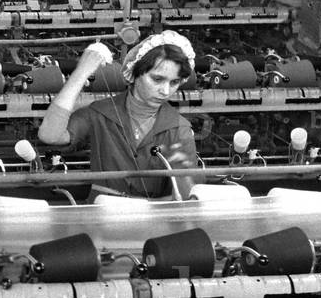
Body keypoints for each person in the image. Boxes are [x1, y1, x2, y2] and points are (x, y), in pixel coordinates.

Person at [38, 30, 201, 200]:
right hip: (103, 217)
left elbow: (186, 196)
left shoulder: (178, 128)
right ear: (135, 73)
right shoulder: (100, 113)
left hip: (153, 221)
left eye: (174, 82)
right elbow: (50, 135)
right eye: (157, 79)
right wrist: (81, 73)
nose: (165, 91)